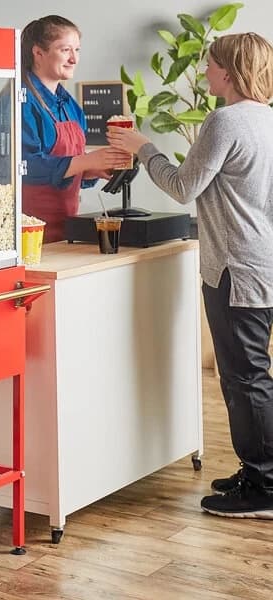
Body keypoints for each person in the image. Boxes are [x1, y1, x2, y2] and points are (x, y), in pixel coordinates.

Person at [107, 32, 273, 518]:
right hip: (261, 263)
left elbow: (182, 187)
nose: (204, 72)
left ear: (230, 71)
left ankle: (263, 486)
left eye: (211, 64)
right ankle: (259, 469)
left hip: (233, 269)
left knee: (246, 380)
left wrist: (144, 147)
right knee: (253, 376)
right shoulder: (268, 119)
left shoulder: (226, 120)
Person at [0, 15, 128, 243]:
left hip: (66, 230)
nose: (74, 59)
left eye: (77, 50)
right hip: (24, 232)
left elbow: (67, 171)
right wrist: (87, 161)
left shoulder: (70, 105)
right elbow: (19, 167)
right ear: (38, 52)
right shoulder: (18, 100)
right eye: (65, 50)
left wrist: (94, 170)